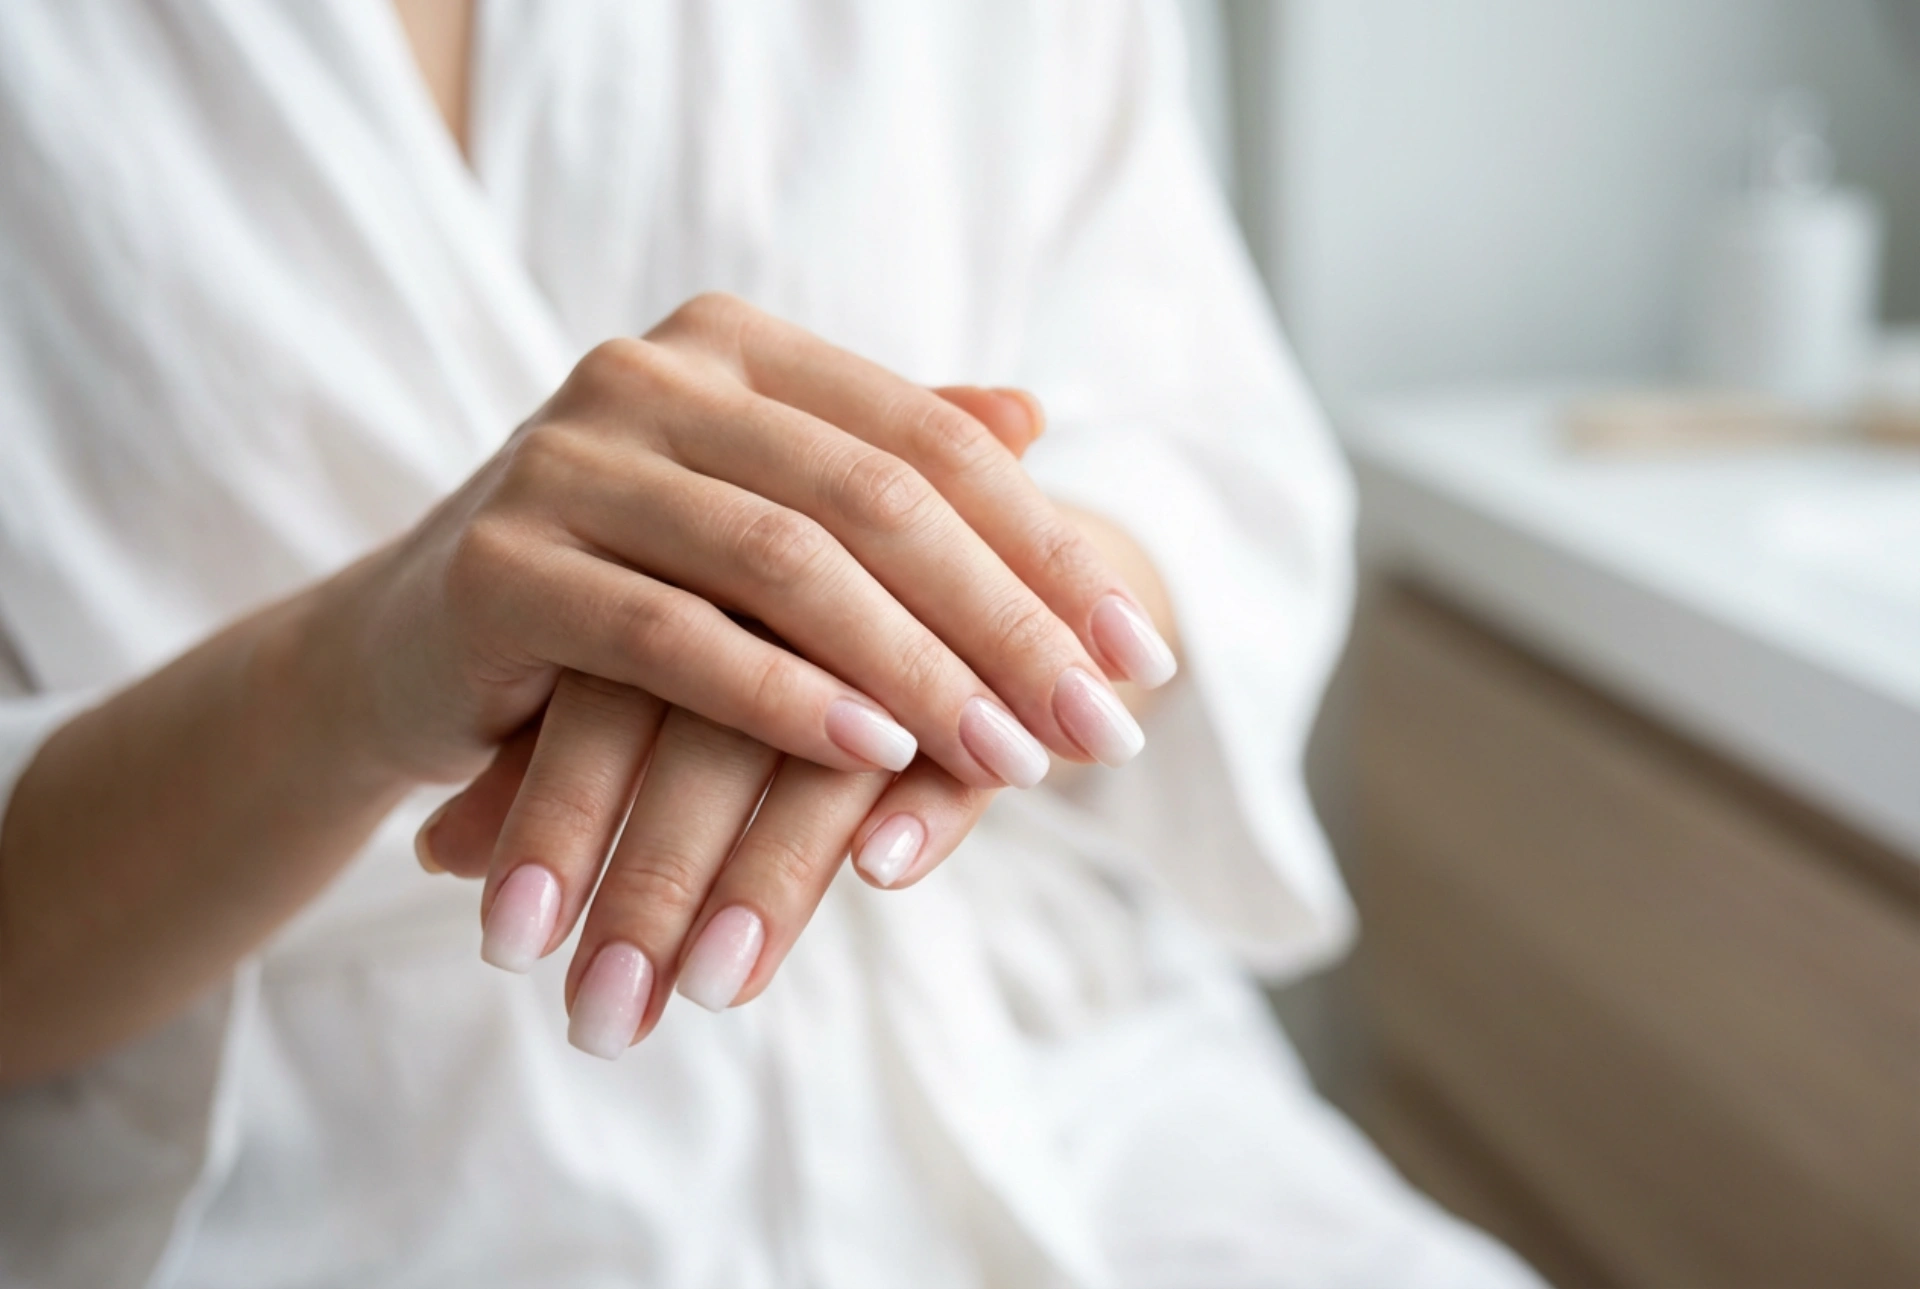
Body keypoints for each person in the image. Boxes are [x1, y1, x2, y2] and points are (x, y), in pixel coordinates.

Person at [0, 2, 1544, 1286]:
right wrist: (344, 676)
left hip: (1065, 1094)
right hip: (310, 1183)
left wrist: (967, 605)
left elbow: (1209, 456)